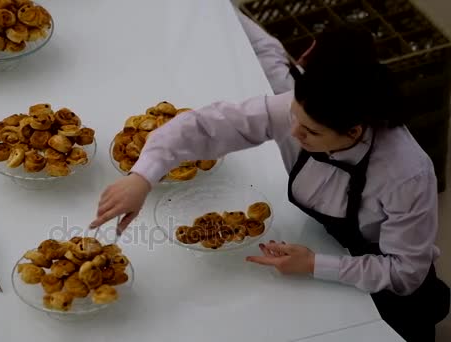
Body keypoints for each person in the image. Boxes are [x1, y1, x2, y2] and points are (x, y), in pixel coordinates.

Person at [90, 24, 450, 341]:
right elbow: (208, 125)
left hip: (386, 291)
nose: (292, 132)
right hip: (319, 250)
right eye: (293, 116)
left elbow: (406, 272)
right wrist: (143, 176)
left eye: (308, 131)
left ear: (354, 132)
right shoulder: (305, 110)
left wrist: (315, 264)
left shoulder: (407, 175)